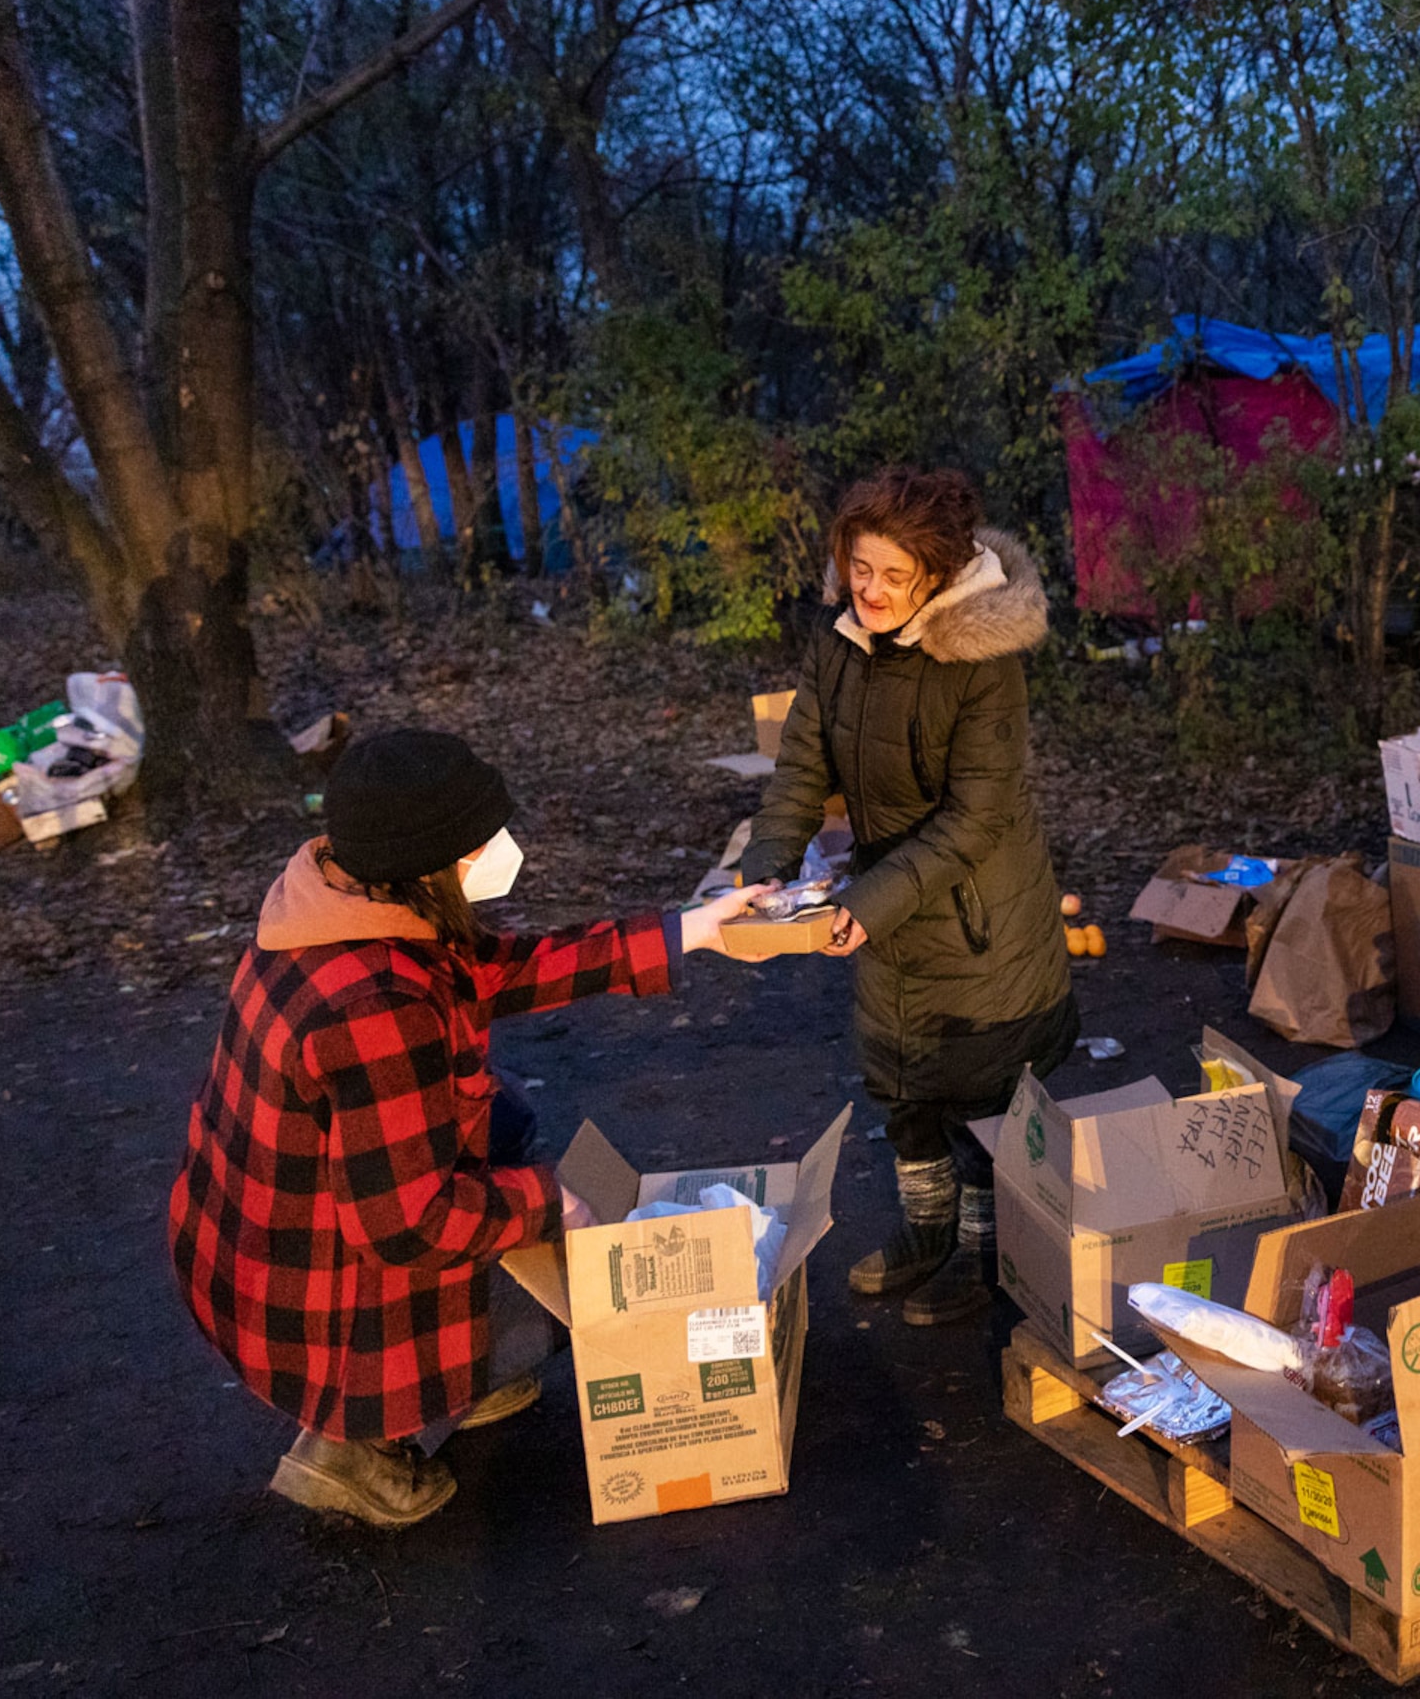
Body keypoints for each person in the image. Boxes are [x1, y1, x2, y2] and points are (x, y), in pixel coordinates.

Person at [167, 728, 774, 1528]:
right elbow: (409, 1224)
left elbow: (499, 969)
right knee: (569, 1278)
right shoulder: (374, 1007)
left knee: (508, 1124)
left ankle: (442, 1383)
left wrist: (686, 929)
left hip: (252, 1253)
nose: (501, 852)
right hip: (298, 1302)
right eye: (480, 843)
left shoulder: (336, 910)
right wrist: (548, 1201)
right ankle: (351, 1441)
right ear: (428, 862)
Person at [744, 466, 1073, 1323]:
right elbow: (803, 762)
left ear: (937, 571)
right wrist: (769, 863)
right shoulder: (836, 638)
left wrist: (872, 899)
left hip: (978, 918)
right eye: (860, 568)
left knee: (976, 1094)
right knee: (901, 1080)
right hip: (888, 906)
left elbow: (977, 815)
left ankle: (981, 1251)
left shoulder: (982, 662)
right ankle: (927, 1234)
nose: (872, 590)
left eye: (895, 575)